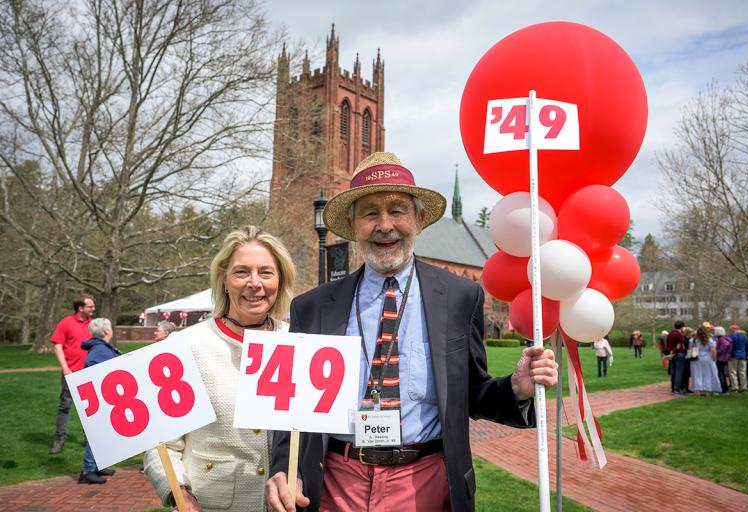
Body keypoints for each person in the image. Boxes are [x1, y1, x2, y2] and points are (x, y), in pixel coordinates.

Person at [265, 152, 558, 512]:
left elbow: (471, 393)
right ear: (354, 224)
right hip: (335, 485)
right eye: (370, 213)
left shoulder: (459, 297)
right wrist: (284, 469)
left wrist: (515, 388)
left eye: (397, 211)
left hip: (426, 483)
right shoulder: (312, 307)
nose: (384, 225)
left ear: (419, 220)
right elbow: (289, 407)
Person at [143, 227, 296, 512]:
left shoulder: (300, 344)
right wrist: (181, 494)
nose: (254, 283)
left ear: (280, 280)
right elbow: (161, 443)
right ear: (224, 279)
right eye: (241, 272)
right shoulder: (186, 345)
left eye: (266, 272)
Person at [49, 293, 96, 454]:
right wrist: (65, 368)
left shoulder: (93, 325)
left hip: (89, 375)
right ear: (80, 308)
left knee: (90, 410)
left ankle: (92, 441)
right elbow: (57, 346)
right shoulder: (66, 323)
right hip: (71, 374)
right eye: (90, 306)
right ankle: (59, 440)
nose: (93, 308)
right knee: (65, 408)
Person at [79, 318, 120, 483]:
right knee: (96, 433)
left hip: (104, 395)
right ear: (105, 332)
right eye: (110, 327)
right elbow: (90, 364)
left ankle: (97, 465)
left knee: (102, 433)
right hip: (100, 397)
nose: (112, 330)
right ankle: (88, 470)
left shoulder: (100, 347)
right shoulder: (100, 349)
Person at [688, 326, 721, 395]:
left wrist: (689, 357)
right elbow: (713, 351)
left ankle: (698, 391)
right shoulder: (710, 340)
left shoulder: (692, 340)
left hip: (696, 357)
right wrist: (714, 359)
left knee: (697, 374)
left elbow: (690, 350)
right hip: (708, 358)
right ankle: (707, 391)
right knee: (708, 374)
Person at [666, 321, 687, 394]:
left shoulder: (670, 333)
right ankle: (677, 389)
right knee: (679, 372)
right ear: (682, 327)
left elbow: (668, 345)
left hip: (672, 354)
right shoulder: (679, 334)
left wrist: (671, 352)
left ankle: (673, 388)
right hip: (679, 354)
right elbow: (679, 346)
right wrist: (674, 352)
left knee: (673, 372)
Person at [728, 324, 748, 391]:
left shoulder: (731, 337)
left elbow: (730, 347)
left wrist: (730, 355)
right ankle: (744, 386)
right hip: (743, 355)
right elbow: (747, 348)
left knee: (733, 372)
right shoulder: (745, 337)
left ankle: (735, 387)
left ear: (733, 329)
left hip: (734, 355)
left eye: (731, 329)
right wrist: (747, 356)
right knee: (742, 372)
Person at [714, 326, 732, 393]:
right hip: (724, 358)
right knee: (722, 374)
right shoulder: (724, 338)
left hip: (721, 358)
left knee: (720, 374)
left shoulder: (721, 339)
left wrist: (716, 351)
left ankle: (722, 389)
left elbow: (723, 348)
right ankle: (724, 388)